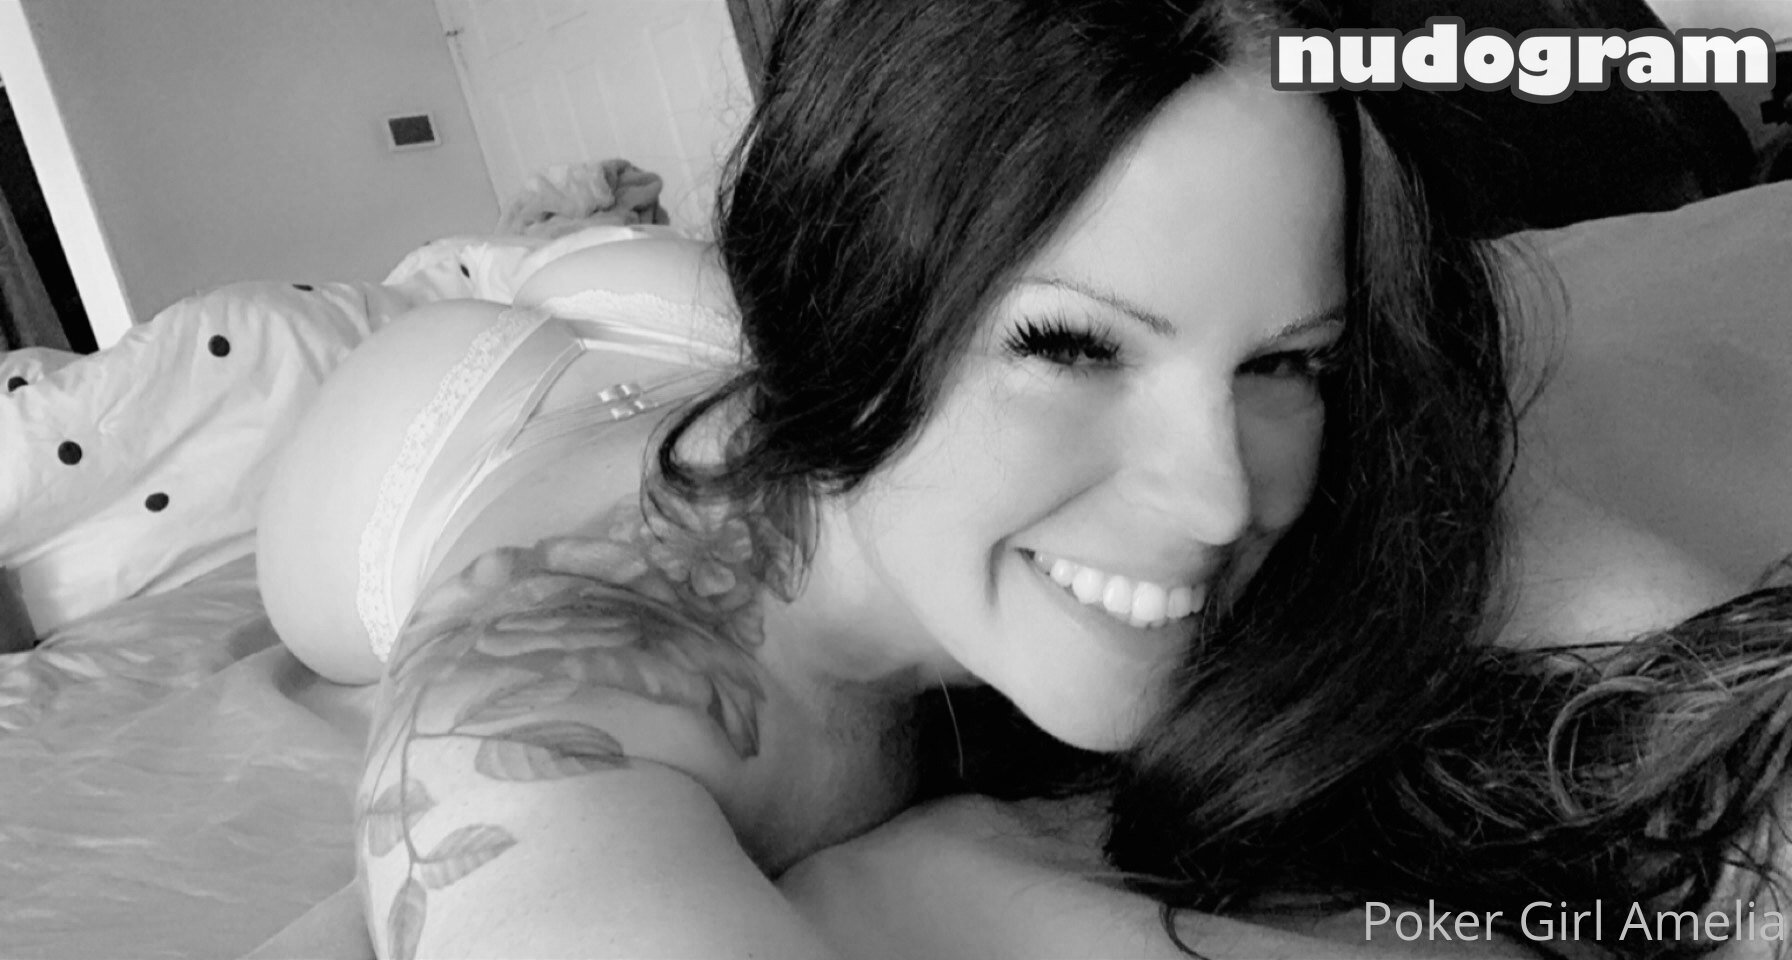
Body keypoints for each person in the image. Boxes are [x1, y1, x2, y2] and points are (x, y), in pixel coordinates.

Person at [255, 0, 1784, 957]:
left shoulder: (1275, 445)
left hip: (728, 343)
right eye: (1072, 347)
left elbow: (1678, 686)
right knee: (426, 320)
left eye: (1287, 362)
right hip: (432, 429)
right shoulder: (542, 709)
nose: (1217, 500)